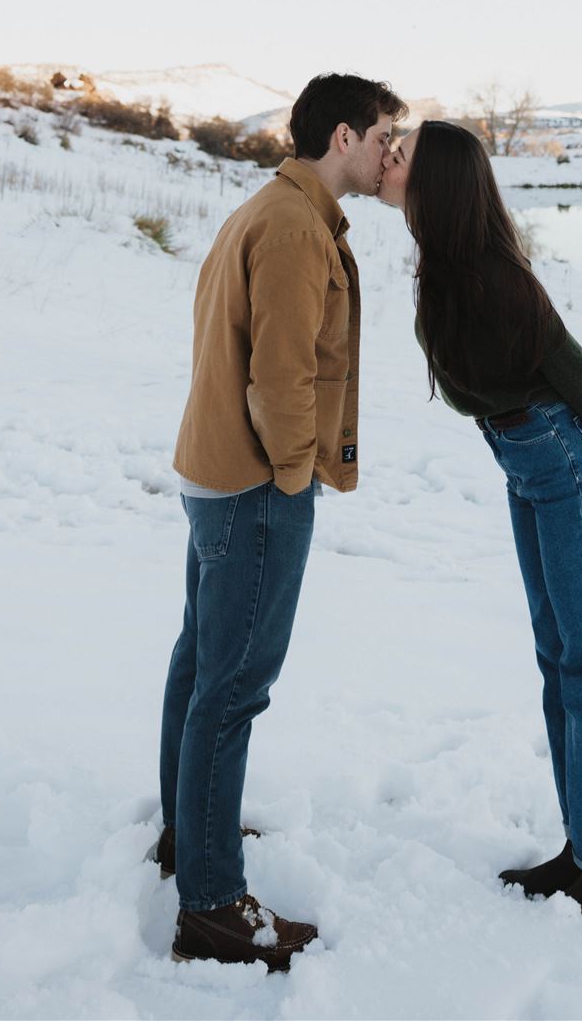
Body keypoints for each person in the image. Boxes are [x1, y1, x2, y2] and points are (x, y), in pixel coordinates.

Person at [156, 73, 405, 971]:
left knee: (201, 667)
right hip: (255, 484)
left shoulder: (270, 205)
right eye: (384, 136)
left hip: (214, 472)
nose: (391, 154)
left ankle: (190, 836)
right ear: (343, 136)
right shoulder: (297, 227)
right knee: (233, 688)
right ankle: (213, 905)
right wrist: (295, 480)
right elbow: (281, 379)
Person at [378, 119, 582, 927]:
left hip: (568, 460)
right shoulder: (449, 264)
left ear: (439, 182)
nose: (388, 158)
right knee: (559, 656)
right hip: (529, 462)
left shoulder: (491, 273)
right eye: (387, 149)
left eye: (402, 154)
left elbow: (576, 371)